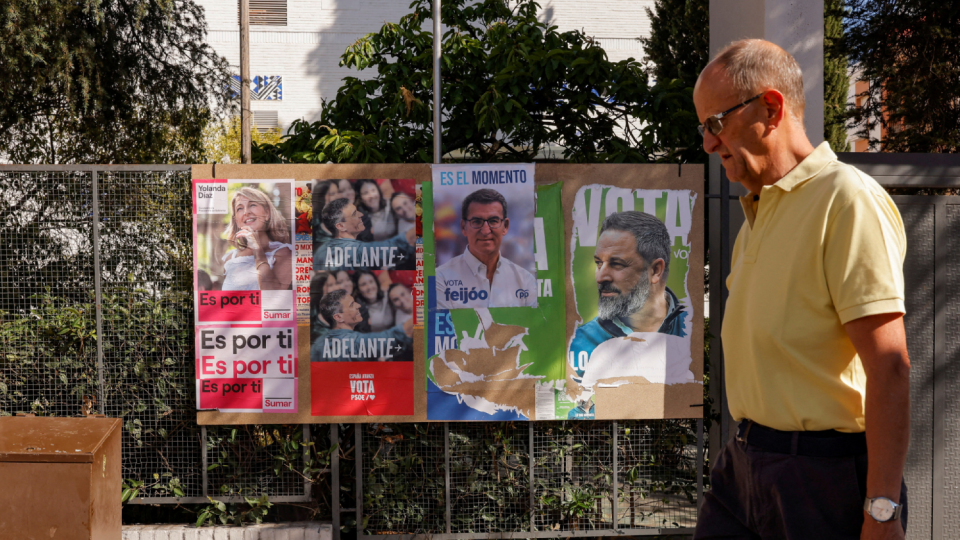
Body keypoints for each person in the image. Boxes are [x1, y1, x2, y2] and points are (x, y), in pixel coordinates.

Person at [693, 40, 909, 540]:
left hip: (819, 477)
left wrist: (882, 511)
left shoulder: (846, 199)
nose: (708, 143)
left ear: (770, 107)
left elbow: (890, 367)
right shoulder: (757, 214)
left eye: (715, 123)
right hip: (743, 465)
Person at [568, 211, 687, 373]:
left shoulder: (692, 330)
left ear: (655, 270)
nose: (600, 277)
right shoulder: (580, 343)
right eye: (598, 263)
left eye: (617, 264)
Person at [434, 188, 537, 309]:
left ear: (506, 226)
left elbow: (533, 326)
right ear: (463, 227)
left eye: (493, 221)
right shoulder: (440, 279)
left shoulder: (525, 280)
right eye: (477, 221)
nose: (485, 230)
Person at [221, 186, 293, 290]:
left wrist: (257, 250)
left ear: (267, 213)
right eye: (240, 208)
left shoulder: (285, 252)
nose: (246, 212)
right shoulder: (230, 258)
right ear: (237, 221)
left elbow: (272, 296)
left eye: (252, 205)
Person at [310, 289, 413, 362]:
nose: (358, 305)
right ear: (338, 317)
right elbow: (395, 336)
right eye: (352, 305)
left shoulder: (317, 344)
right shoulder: (355, 342)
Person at [314, 198, 416, 271]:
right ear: (341, 226)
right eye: (354, 214)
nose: (361, 215)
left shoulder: (322, 250)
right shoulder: (354, 250)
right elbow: (401, 243)